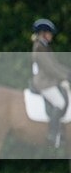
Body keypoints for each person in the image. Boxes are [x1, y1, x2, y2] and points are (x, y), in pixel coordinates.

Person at [31, 18, 71, 147]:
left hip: (50, 80)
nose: (51, 36)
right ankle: (53, 134)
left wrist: (68, 73)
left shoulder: (45, 46)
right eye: (49, 33)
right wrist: (64, 77)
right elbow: (49, 68)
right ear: (43, 33)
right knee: (60, 103)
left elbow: (55, 65)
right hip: (44, 83)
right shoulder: (39, 48)